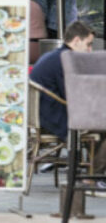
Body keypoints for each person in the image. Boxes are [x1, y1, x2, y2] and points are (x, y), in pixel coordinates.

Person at [30, 21, 106, 179]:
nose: (90, 50)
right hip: (55, 118)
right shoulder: (66, 59)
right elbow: (73, 96)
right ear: (76, 41)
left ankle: (93, 172)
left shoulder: (55, 55)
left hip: (43, 114)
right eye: (89, 44)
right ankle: (94, 177)